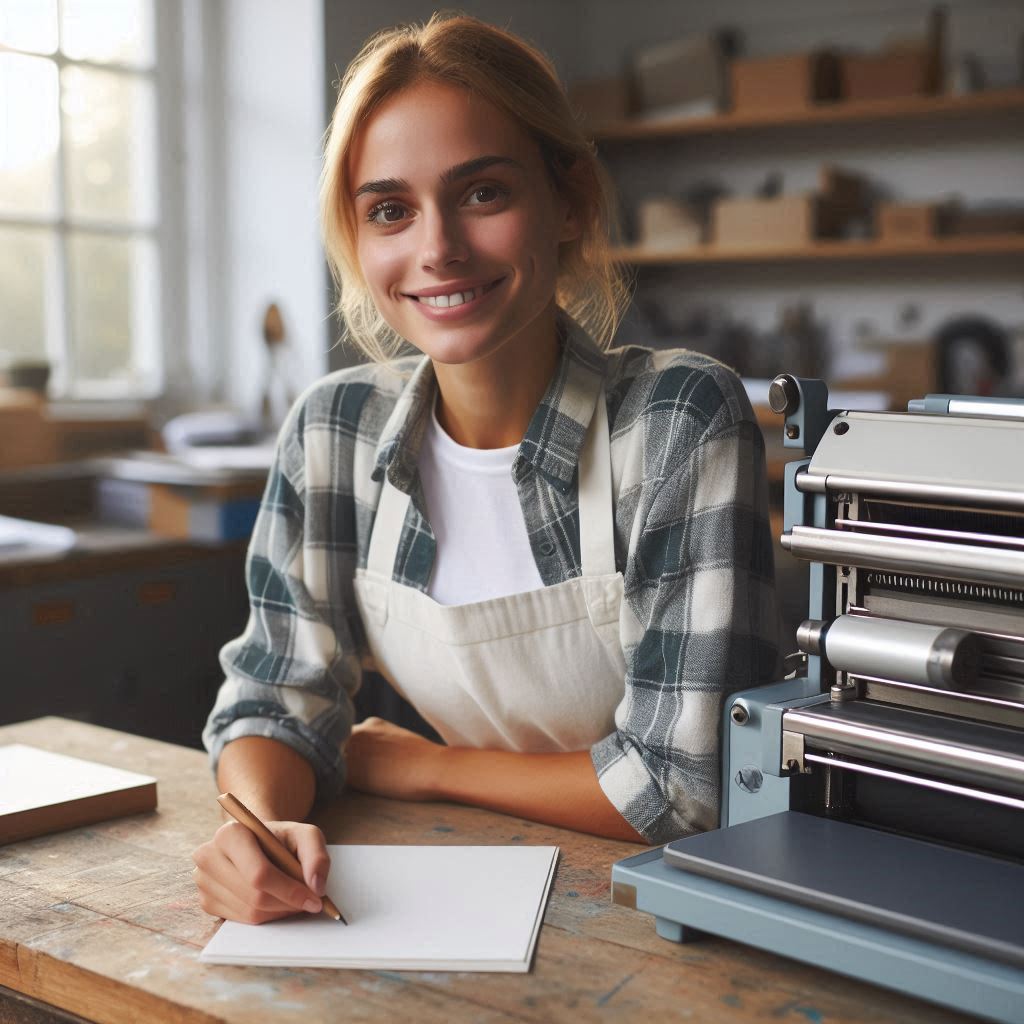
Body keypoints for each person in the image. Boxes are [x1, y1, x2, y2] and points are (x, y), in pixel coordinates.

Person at [192, 13, 781, 926]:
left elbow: (685, 789)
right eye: (390, 209)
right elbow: (276, 700)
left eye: (482, 193)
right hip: (458, 888)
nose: (437, 250)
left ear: (571, 199)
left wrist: (425, 764)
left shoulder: (676, 418)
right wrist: (260, 827)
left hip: (670, 912)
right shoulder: (333, 428)